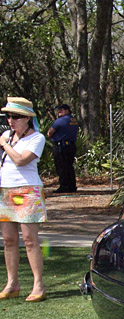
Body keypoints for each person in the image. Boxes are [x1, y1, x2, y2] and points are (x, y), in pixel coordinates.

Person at [0, 97, 48, 301]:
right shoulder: (6, 136)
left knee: (30, 240)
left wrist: (4, 144)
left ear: (28, 118)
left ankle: (38, 285)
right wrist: (6, 140)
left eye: (16, 116)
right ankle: (12, 284)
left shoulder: (37, 138)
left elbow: (21, 160)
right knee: (9, 240)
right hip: (6, 191)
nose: (11, 120)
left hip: (28, 191)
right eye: (9, 116)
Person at [47, 103, 79, 193]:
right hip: (71, 145)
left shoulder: (60, 121)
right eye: (59, 110)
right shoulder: (74, 120)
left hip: (61, 146)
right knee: (69, 166)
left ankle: (64, 186)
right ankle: (72, 186)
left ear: (67, 110)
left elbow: (50, 132)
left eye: (62, 110)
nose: (59, 111)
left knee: (61, 166)